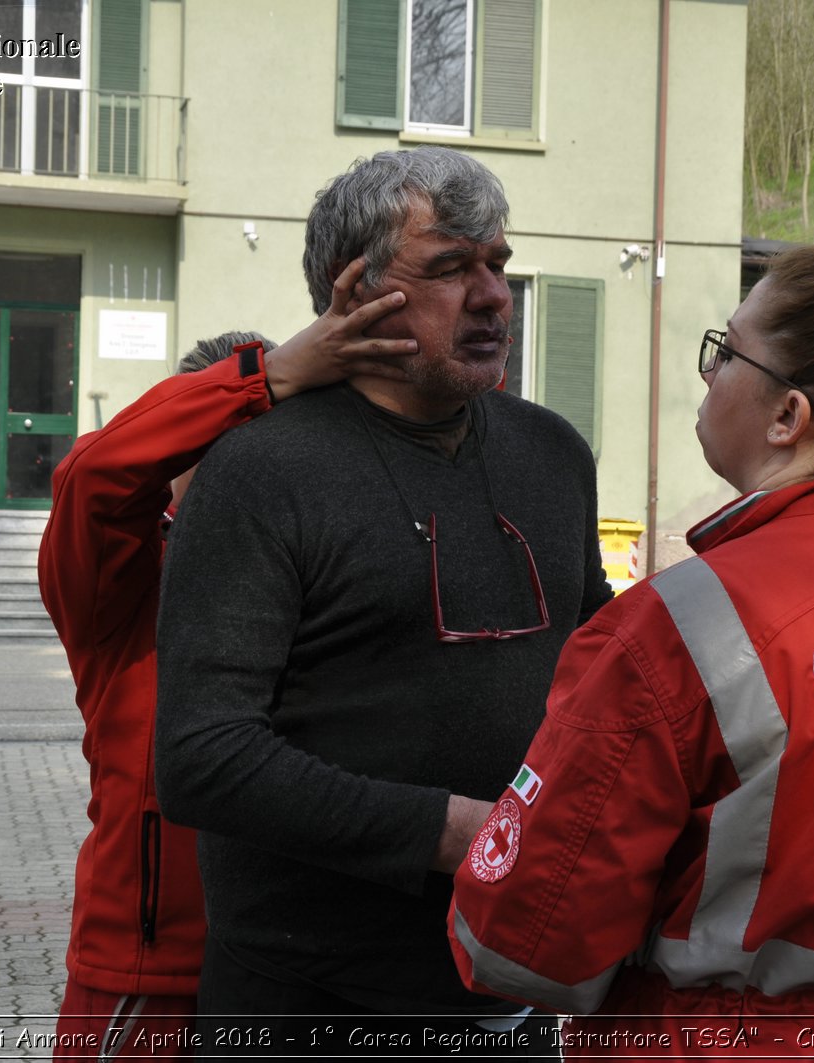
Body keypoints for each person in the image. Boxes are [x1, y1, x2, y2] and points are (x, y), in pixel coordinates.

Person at [449, 243, 814, 1056]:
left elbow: (527, 937)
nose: (708, 374)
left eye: (726, 350)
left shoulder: (679, 621)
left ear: (788, 417)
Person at [153, 146, 612, 1055]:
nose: (493, 297)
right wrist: (460, 833)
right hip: (304, 1009)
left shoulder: (554, 455)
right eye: (451, 268)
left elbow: (598, 674)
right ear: (356, 290)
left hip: (513, 1000)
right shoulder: (260, 470)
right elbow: (203, 757)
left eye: (499, 266)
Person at [38, 274, 414, 1058]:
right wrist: (267, 381)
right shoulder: (122, 588)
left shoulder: (314, 573)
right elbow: (91, 478)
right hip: (152, 975)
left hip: (300, 971)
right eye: (210, 454)